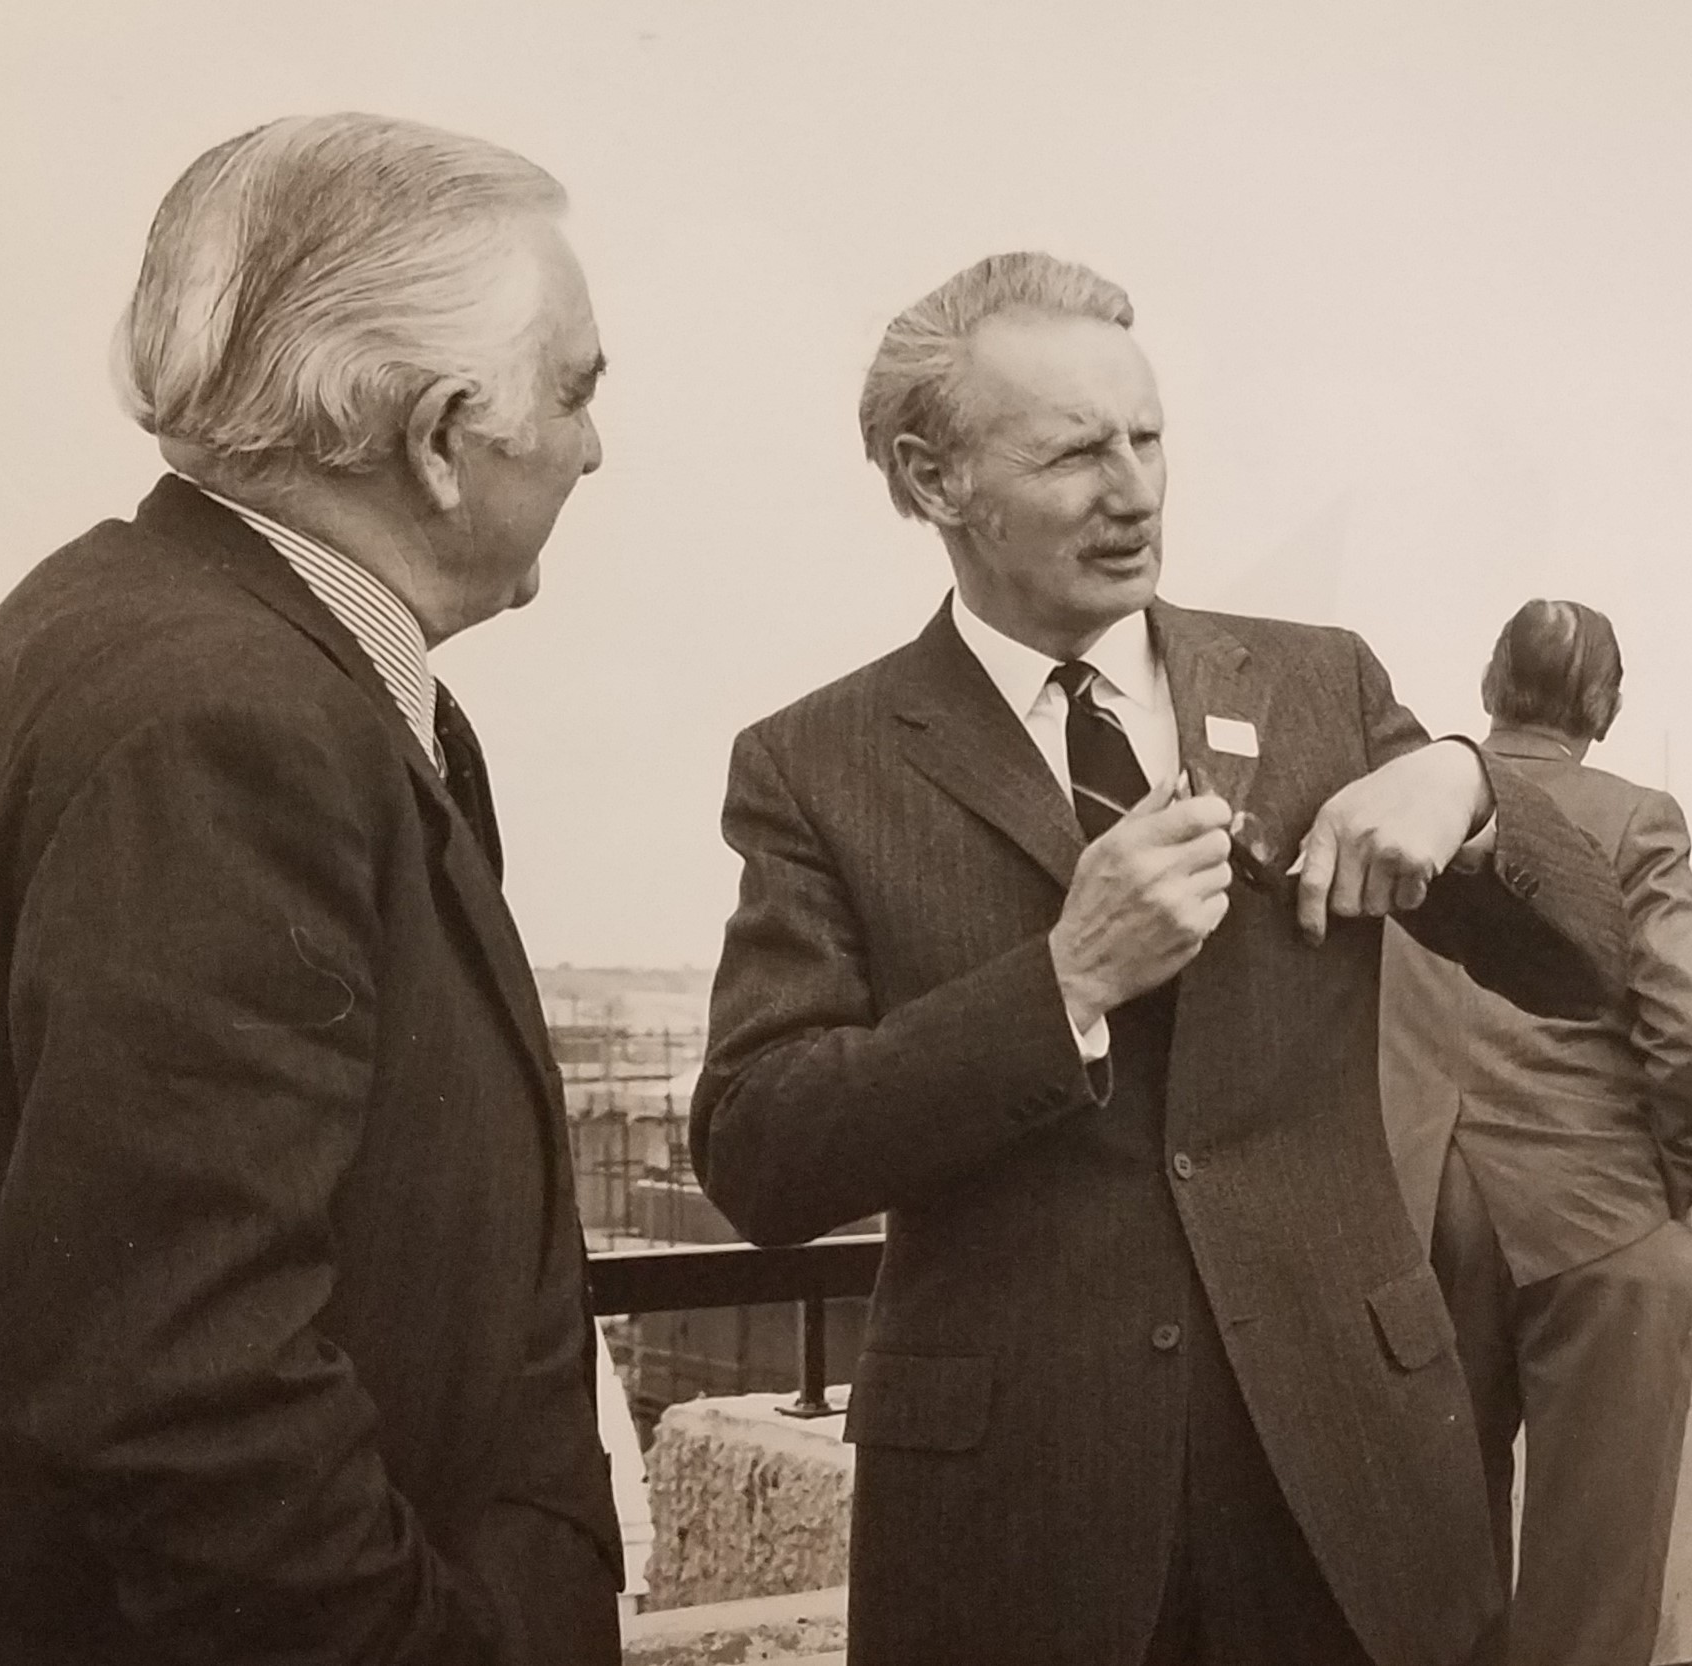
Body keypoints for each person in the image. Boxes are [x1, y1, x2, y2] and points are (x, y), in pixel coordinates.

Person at [690, 252, 1625, 1666]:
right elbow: (757, 1149)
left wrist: (1467, 786)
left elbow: (1589, 961)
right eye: (1073, 451)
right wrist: (1059, 983)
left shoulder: (1319, 683)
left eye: (1147, 436)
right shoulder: (819, 762)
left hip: (1355, 1482)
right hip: (1024, 1519)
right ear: (933, 477)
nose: (1134, 491)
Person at [0, 115, 622, 1665]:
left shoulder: (145, 641)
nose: (593, 448)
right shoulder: (234, 723)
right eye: (575, 391)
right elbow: (178, 1381)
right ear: (439, 434)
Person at [1379, 598, 1692, 1666]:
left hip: (1418, 1212)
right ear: (1606, 707)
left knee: (1437, 1569)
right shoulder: (1637, 817)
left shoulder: (1409, 807)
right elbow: (1684, 1028)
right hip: (1596, 1217)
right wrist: (1681, 1174)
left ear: (1489, 688)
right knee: (1593, 1577)